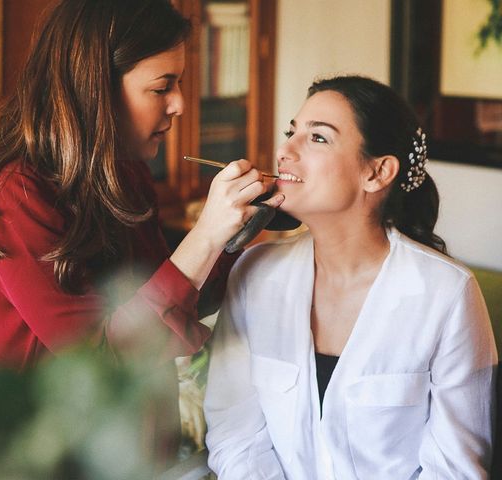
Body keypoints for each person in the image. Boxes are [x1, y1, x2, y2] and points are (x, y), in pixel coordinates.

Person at [0, 0, 283, 373]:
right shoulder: (12, 192)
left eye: (180, 83)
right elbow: (103, 359)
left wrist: (239, 229)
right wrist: (205, 234)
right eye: (161, 88)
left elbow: (176, 305)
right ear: (95, 88)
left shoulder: (124, 171)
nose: (180, 105)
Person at [204, 75, 498, 479]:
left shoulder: (446, 294)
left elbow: (455, 468)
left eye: (318, 138)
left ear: (377, 172)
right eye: (291, 132)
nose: (283, 150)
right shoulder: (254, 275)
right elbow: (234, 434)